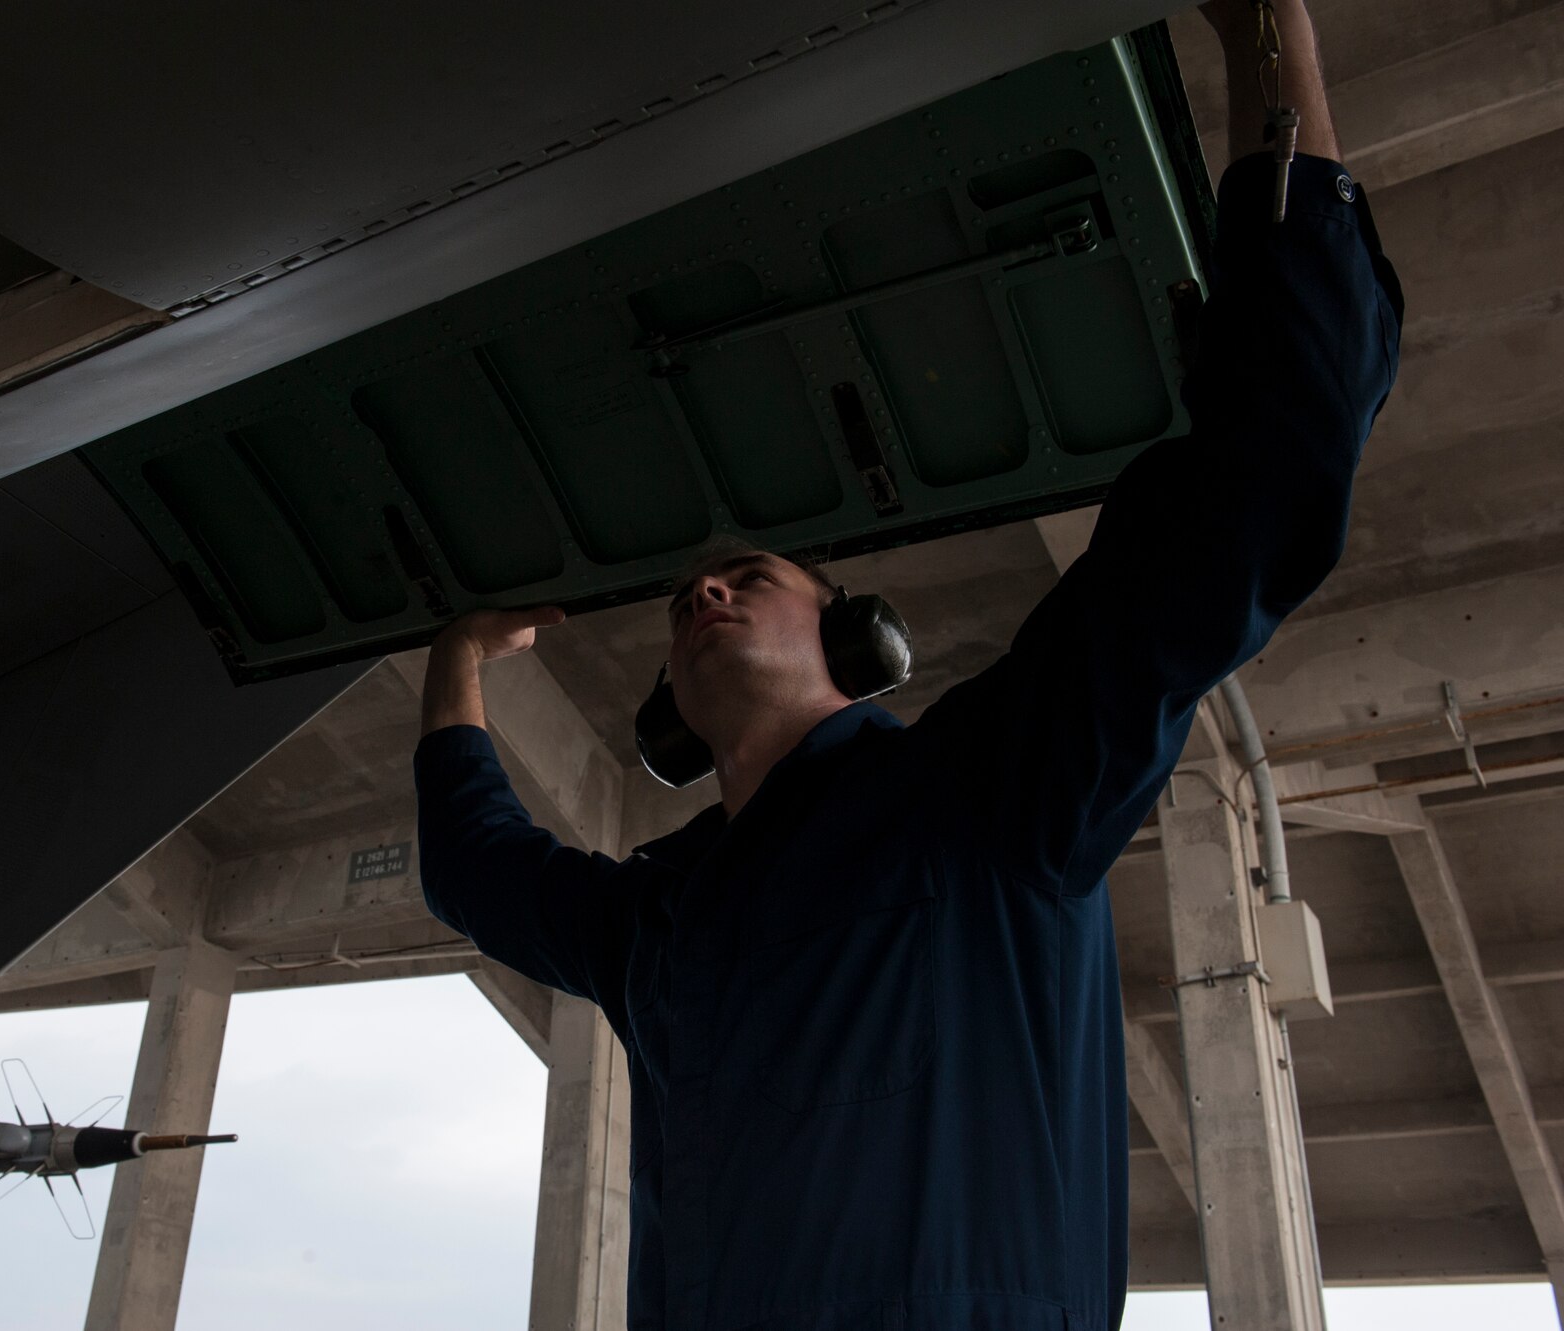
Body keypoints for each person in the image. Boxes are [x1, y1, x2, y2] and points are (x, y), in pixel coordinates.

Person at [412, 2, 1402, 1326]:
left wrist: (1268, 43)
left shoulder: (992, 791)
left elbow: (1270, 470)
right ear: (668, 714)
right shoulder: (658, 921)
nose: (704, 588)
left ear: (852, 640)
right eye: (690, 596)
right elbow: (476, 867)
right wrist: (458, 656)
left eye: (749, 578)